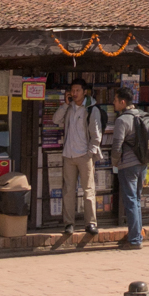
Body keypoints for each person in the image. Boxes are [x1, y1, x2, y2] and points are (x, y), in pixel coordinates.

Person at [50, 81, 103, 235]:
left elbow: (96, 134)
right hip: (69, 155)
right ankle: (69, 224)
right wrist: (65, 105)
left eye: (77, 90)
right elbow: (55, 120)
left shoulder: (92, 109)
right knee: (68, 191)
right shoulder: (69, 108)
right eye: (72, 90)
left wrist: (90, 153)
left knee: (88, 190)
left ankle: (90, 223)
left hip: (84, 155)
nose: (74, 93)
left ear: (84, 92)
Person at [105, 86, 149, 249]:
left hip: (128, 165)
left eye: (116, 100)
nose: (113, 103)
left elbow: (117, 146)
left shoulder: (122, 120)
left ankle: (134, 240)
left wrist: (114, 162)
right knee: (136, 200)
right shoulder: (143, 115)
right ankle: (136, 234)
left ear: (123, 102)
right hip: (143, 163)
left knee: (131, 201)